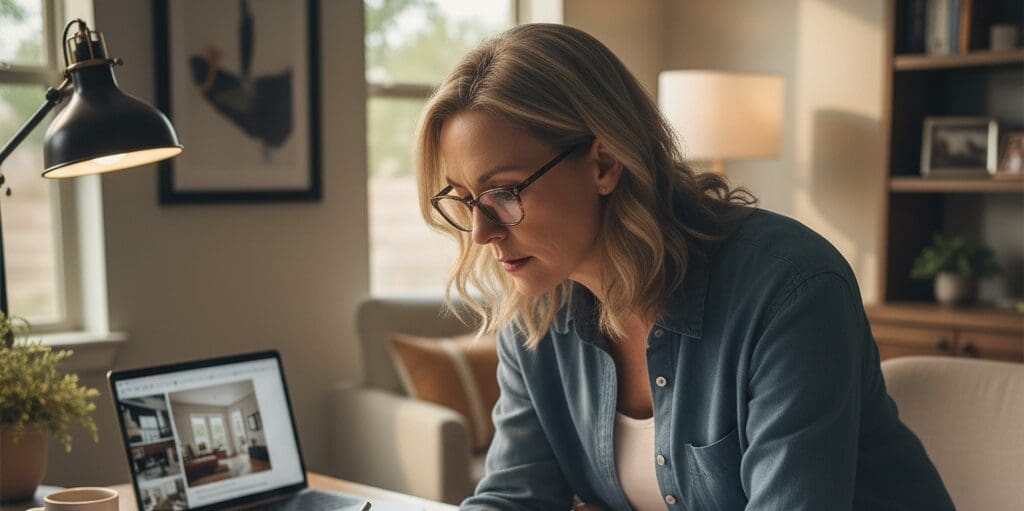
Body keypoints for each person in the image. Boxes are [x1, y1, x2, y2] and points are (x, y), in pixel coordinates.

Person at [414, 23, 954, 511]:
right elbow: (515, 497)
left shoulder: (791, 291)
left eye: (503, 194)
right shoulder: (534, 308)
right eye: (463, 199)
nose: (482, 234)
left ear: (603, 163)